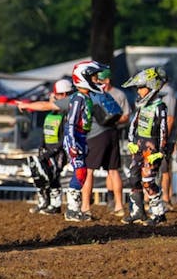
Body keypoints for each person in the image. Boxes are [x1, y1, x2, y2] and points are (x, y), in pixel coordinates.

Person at [81, 63, 131, 218]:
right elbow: (123, 115)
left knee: (89, 170)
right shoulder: (110, 95)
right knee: (113, 170)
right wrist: (112, 122)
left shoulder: (94, 93)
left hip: (97, 135)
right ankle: (119, 206)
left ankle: (85, 207)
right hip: (113, 133)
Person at [121, 67, 169, 226]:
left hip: (152, 148)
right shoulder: (141, 105)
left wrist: (161, 151)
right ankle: (137, 212)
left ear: (151, 87)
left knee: (148, 181)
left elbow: (163, 130)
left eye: (141, 87)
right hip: (139, 146)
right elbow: (133, 124)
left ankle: (158, 214)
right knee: (133, 178)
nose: (138, 91)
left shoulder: (160, 107)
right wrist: (131, 142)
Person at [17, 78, 74, 214]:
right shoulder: (50, 114)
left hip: (58, 151)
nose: (53, 97)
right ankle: (43, 202)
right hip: (46, 149)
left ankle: (55, 205)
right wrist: (42, 147)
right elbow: (45, 132)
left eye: (56, 95)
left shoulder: (66, 113)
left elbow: (64, 135)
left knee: (54, 176)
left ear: (64, 95)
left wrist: (55, 150)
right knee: (40, 176)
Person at [60, 60, 104, 221]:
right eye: (93, 76)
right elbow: (71, 121)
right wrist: (72, 143)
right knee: (80, 171)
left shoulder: (86, 97)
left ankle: (74, 210)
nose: (97, 79)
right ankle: (72, 210)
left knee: (82, 172)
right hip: (74, 136)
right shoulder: (78, 98)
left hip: (82, 137)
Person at [157, 80, 177, 210]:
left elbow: (170, 119)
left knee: (164, 168)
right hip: (157, 137)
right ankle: (149, 199)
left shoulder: (168, 93)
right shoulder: (159, 93)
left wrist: (163, 138)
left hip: (165, 138)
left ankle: (166, 198)